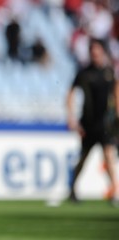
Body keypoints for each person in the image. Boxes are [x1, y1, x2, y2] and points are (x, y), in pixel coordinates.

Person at [66, 38, 119, 206]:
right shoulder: (84, 73)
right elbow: (70, 94)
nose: (95, 54)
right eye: (92, 51)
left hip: (106, 125)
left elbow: (116, 94)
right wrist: (71, 118)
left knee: (109, 156)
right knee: (83, 159)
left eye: (97, 51)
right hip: (88, 124)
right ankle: (73, 189)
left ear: (102, 52)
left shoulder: (109, 72)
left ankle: (115, 192)